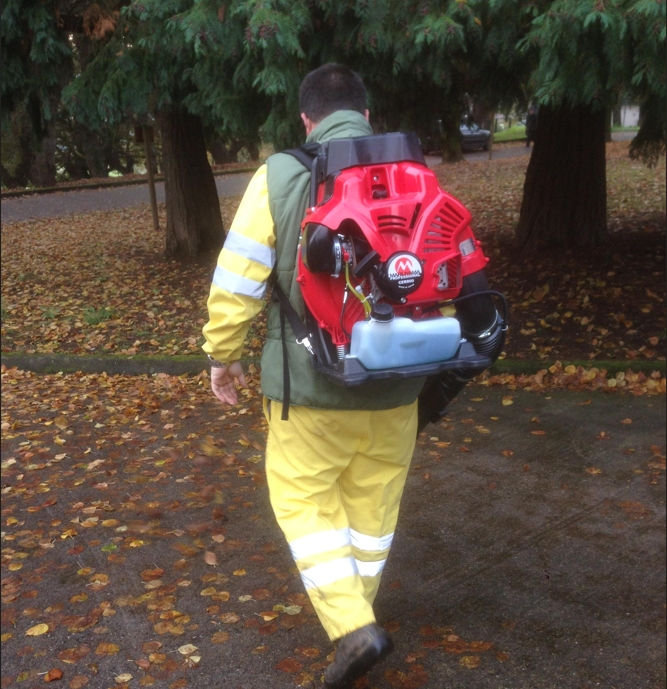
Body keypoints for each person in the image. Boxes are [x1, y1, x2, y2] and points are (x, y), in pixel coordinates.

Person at [202, 63, 426, 688]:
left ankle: (355, 627)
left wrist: (223, 354)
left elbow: (238, 278)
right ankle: (358, 610)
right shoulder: (411, 172)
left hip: (310, 390)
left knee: (301, 502)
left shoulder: (280, 175)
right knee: (372, 509)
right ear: (367, 114)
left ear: (306, 119)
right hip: (399, 382)